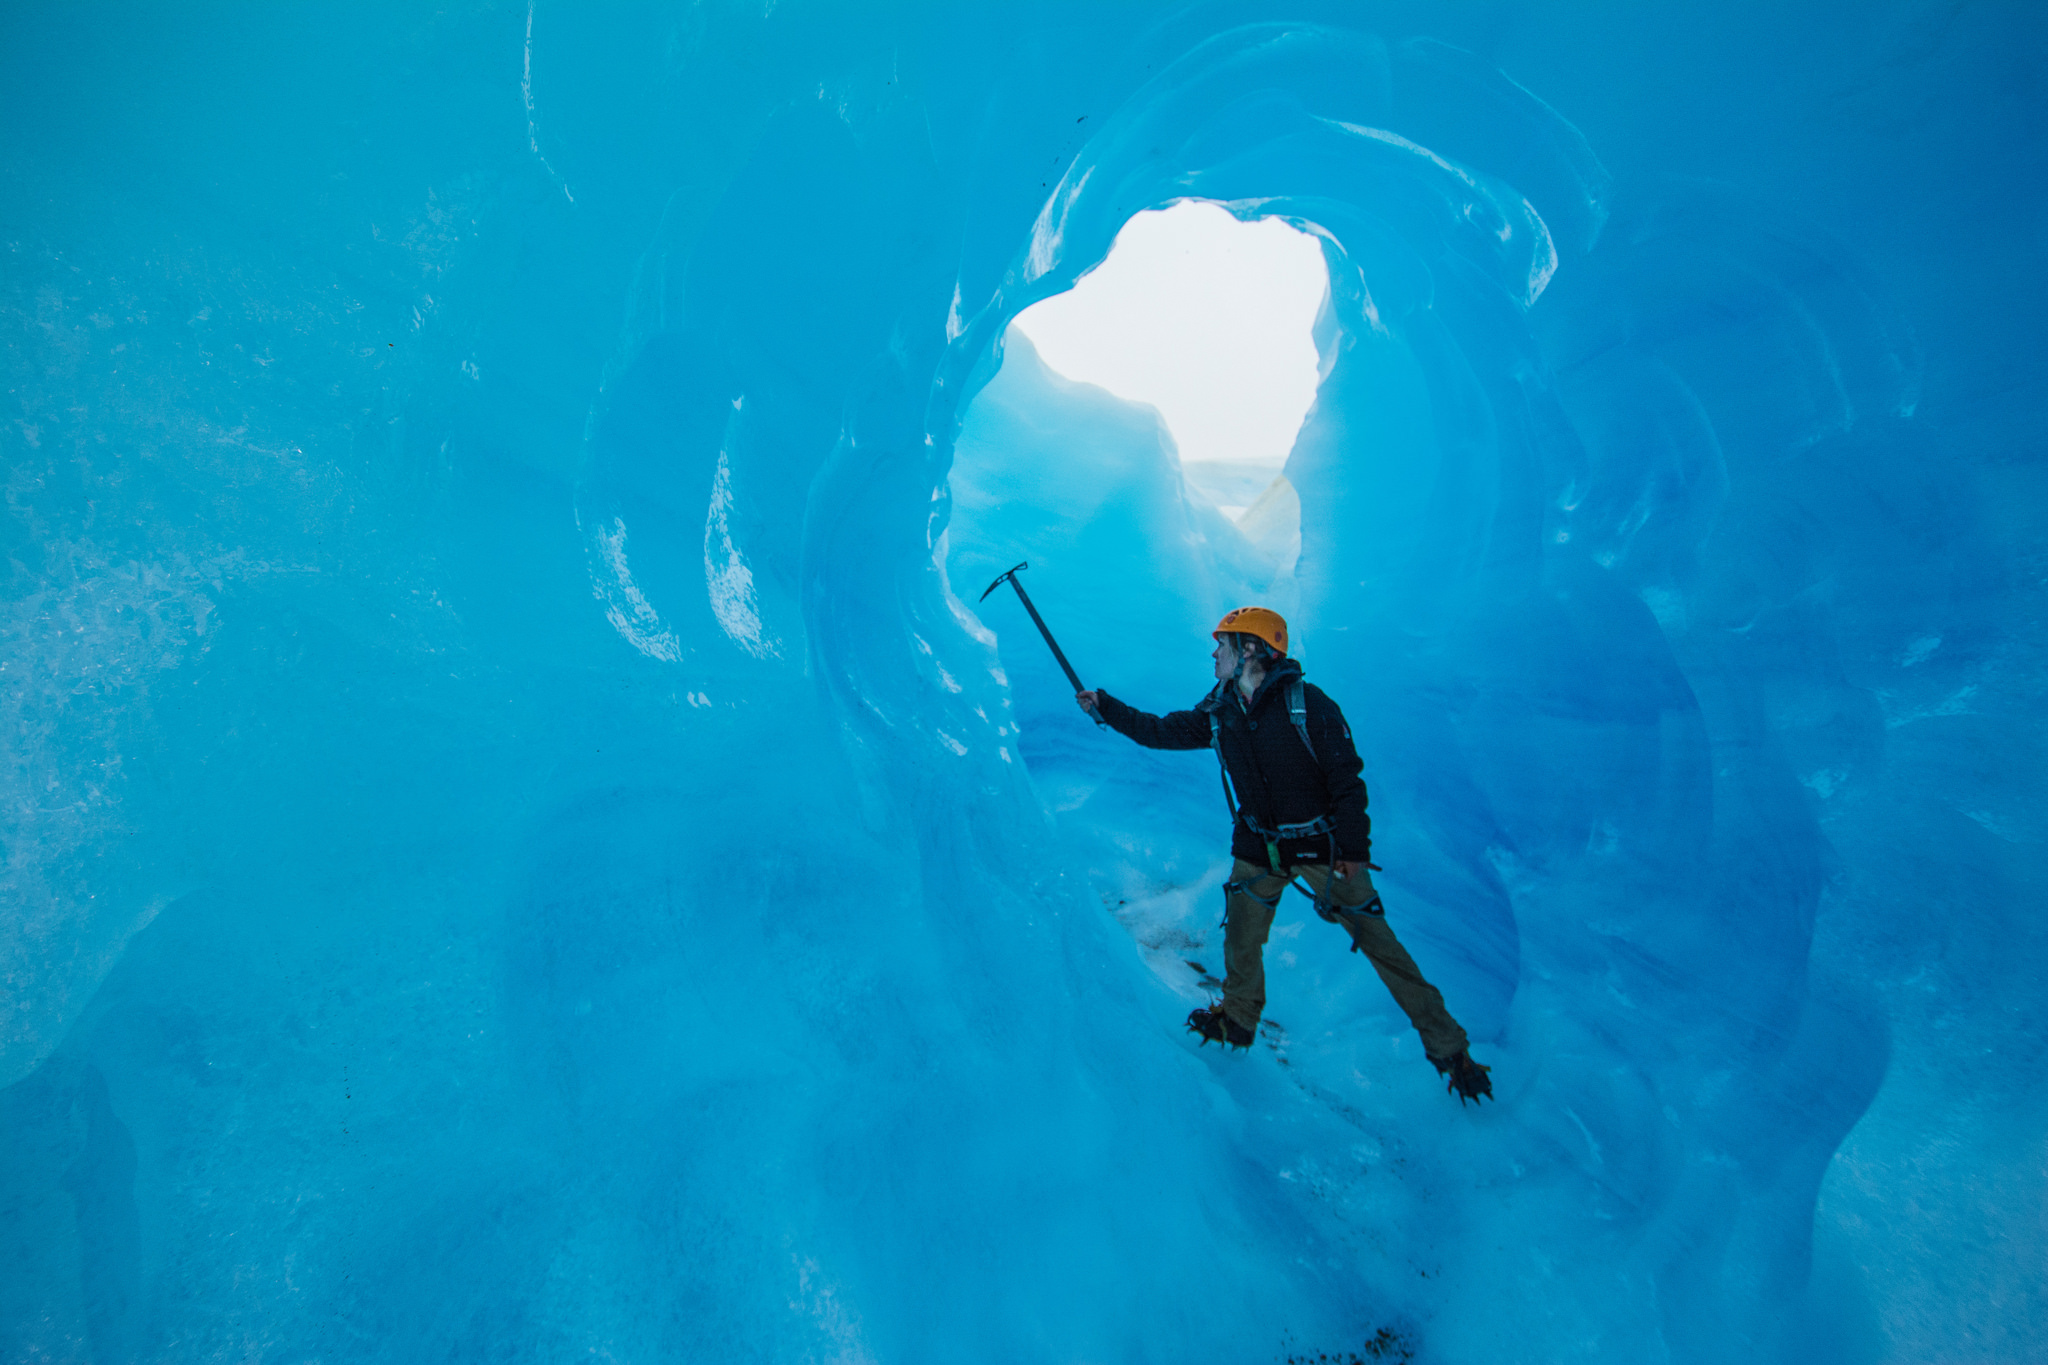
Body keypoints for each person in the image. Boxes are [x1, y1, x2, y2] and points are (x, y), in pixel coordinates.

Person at [1076, 606, 1493, 1104]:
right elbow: (1160, 731)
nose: (1214, 653)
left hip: (1325, 848)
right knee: (1242, 940)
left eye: (1223, 645)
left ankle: (1451, 1051)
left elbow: (1346, 779)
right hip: (1258, 846)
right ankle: (1238, 1020)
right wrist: (1106, 706)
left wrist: (1355, 850)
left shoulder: (1308, 705)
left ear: (1250, 649)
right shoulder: (1220, 711)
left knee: (1383, 946)